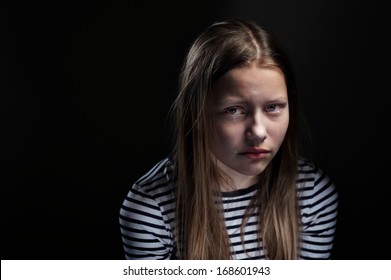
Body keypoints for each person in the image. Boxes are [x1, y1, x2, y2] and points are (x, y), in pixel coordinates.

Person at [119, 18, 338, 260]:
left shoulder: (311, 194)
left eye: (273, 107)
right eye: (233, 110)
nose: (258, 132)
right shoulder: (151, 210)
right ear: (197, 113)